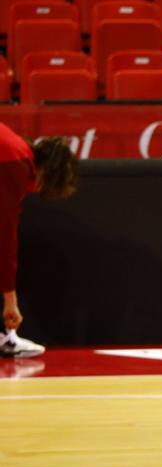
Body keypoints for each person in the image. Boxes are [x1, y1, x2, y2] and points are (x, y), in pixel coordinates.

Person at [0, 123, 78, 359]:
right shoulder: (16, 163)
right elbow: (5, 234)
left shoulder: (15, 148)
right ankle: (6, 339)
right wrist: (10, 300)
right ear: (49, 172)